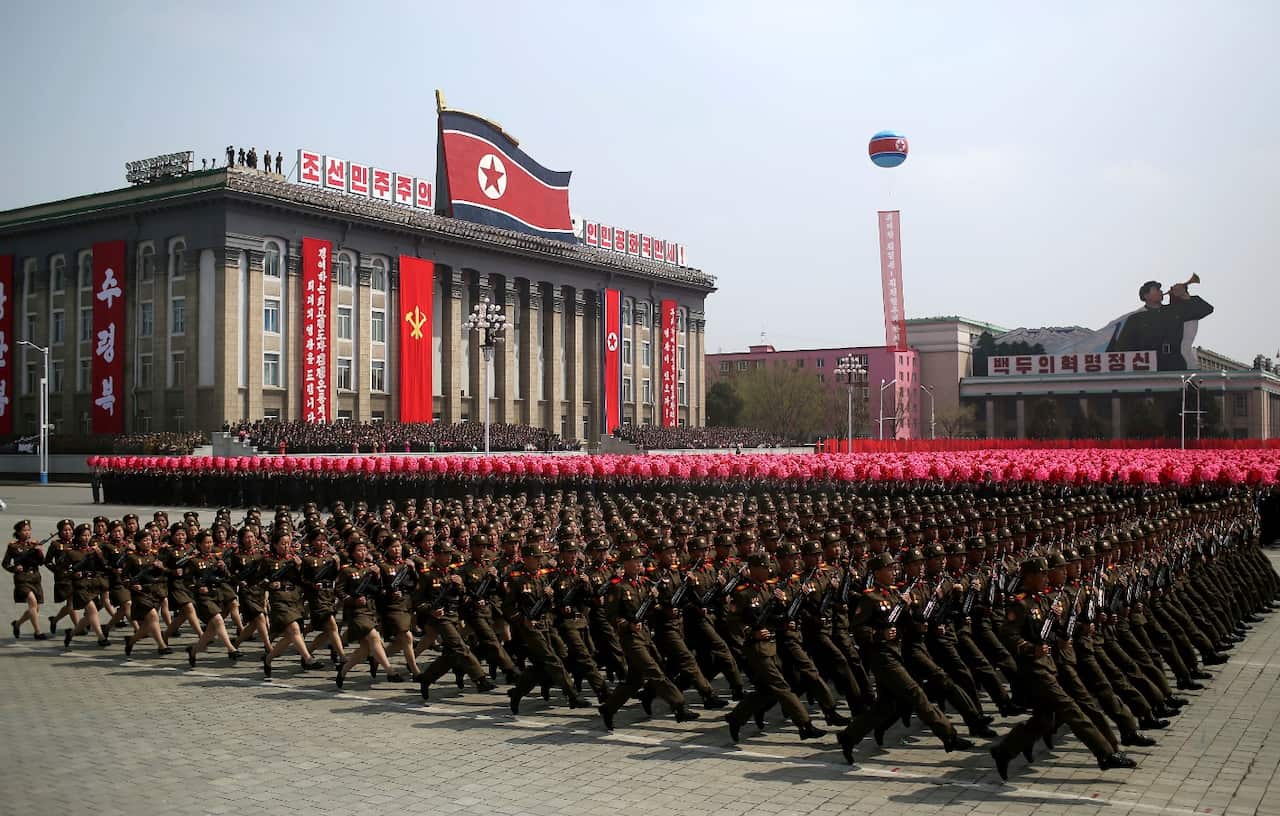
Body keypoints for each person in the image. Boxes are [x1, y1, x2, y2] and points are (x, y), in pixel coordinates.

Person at [989, 557, 1136, 781]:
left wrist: (1061, 632)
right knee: (1072, 709)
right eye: (1042, 574)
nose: (1046, 577)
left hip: (1049, 667)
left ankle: (1004, 750)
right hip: (1034, 670)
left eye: (1048, 574)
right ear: (1029, 577)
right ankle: (1105, 754)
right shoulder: (1020, 604)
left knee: (1044, 720)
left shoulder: (1043, 602)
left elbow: (1055, 630)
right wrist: (1030, 649)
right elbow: (1008, 636)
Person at [1109, 280, 1213, 370]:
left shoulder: (1173, 311)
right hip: (1148, 365)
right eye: (1156, 289)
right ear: (1146, 295)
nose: (1161, 292)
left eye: (1160, 289)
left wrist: (1184, 295)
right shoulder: (1135, 319)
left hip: (1175, 362)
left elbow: (1205, 309)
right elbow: (1123, 347)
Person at [4, 519, 48, 639]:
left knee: (35, 608)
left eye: (29, 530)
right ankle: (37, 632)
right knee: (32, 602)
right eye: (24, 530)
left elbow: (41, 562)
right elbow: (5, 563)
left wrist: (39, 552)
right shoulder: (13, 546)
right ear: (18, 532)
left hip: (35, 577)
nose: (27, 532)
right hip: (22, 578)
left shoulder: (34, 544)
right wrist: (14, 568)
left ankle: (17, 624)